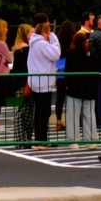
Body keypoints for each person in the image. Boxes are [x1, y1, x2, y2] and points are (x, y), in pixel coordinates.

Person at [27, 21, 61, 150]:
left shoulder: (33, 44)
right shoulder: (41, 44)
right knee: (44, 113)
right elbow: (56, 54)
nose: (49, 35)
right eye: (48, 32)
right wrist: (54, 37)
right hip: (44, 84)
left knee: (39, 113)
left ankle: (39, 139)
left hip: (36, 83)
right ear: (44, 32)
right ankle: (42, 140)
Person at [64, 32, 99, 150]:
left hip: (74, 88)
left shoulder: (71, 54)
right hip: (90, 88)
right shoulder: (91, 54)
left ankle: (74, 141)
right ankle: (91, 140)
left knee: (73, 115)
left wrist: (67, 85)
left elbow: (67, 72)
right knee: (89, 115)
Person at [10, 23, 34, 144]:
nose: (33, 34)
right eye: (30, 32)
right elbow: (27, 68)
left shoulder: (17, 48)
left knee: (23, 111)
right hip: (25, 83)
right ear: (25, 34)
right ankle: (23, 139)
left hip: (19, 83)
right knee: (25, 113)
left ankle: (22, 139)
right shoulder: (25, 49)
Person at [55, 20, 78, 131]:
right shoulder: (73, 42)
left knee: (59, 98)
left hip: (59, 71)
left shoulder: (58, 41)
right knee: (72, 97)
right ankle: (72, 121)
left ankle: (59, 120)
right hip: (71, 71)